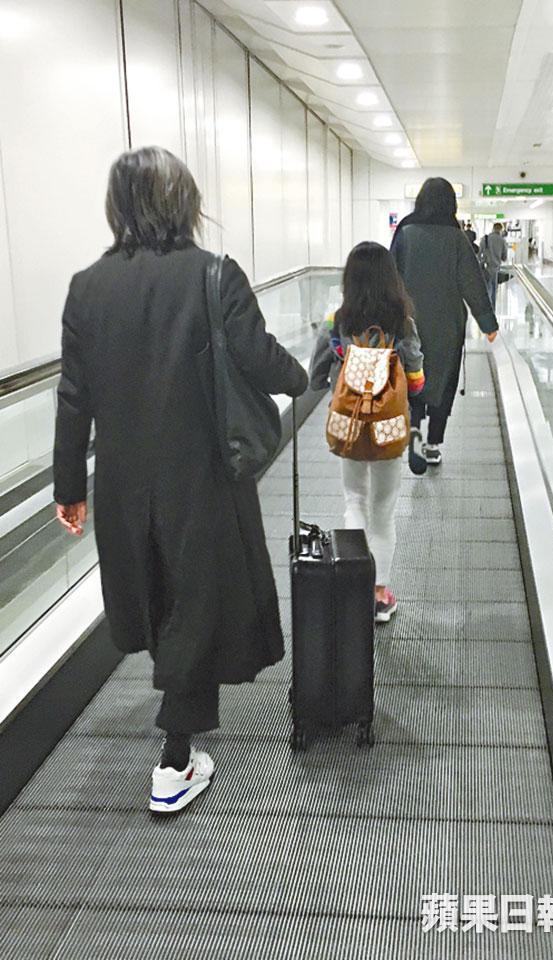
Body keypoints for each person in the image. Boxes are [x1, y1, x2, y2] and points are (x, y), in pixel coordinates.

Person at [53, 146, 308, 814]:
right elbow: (259, 357)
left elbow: (73, 396)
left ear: (118, 207)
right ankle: (174, 758)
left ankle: (178, 731)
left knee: (159, 595)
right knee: (197, 599)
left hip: (122, 483)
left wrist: (68, 488)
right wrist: (301, 376)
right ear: (184, 202)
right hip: (201, 479)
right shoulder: (213, 274)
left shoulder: (87, 287)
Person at [309, 241, 425, 624]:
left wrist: (334, 378)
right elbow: (416, 377)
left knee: (354, 501)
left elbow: (316, 372)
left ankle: (354, 588)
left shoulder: (337, 321)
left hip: (350, 422)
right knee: (383, 511)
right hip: (389, 424)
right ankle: (379, 594)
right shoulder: (402, 322)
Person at [390, 178, 498, 466]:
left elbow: (390, 277)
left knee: (412, 377)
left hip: (409, 324)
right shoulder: (456, 237)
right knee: (443, 384)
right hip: (448, 327)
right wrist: (488, 324)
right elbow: (472, 283)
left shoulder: (405, 232)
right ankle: (433, 445)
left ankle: (414, 435)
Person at [479, 222, 508, 308]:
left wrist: (482, 260)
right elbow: (504, 257)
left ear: (493, 228)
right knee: (494, 290)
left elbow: (479, 253)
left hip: (485, 267)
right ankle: (492, 308)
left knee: (485, 288)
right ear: (501, 230)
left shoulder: (485, 238)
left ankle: (485, 306)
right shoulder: (502, 240)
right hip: (495, 268)